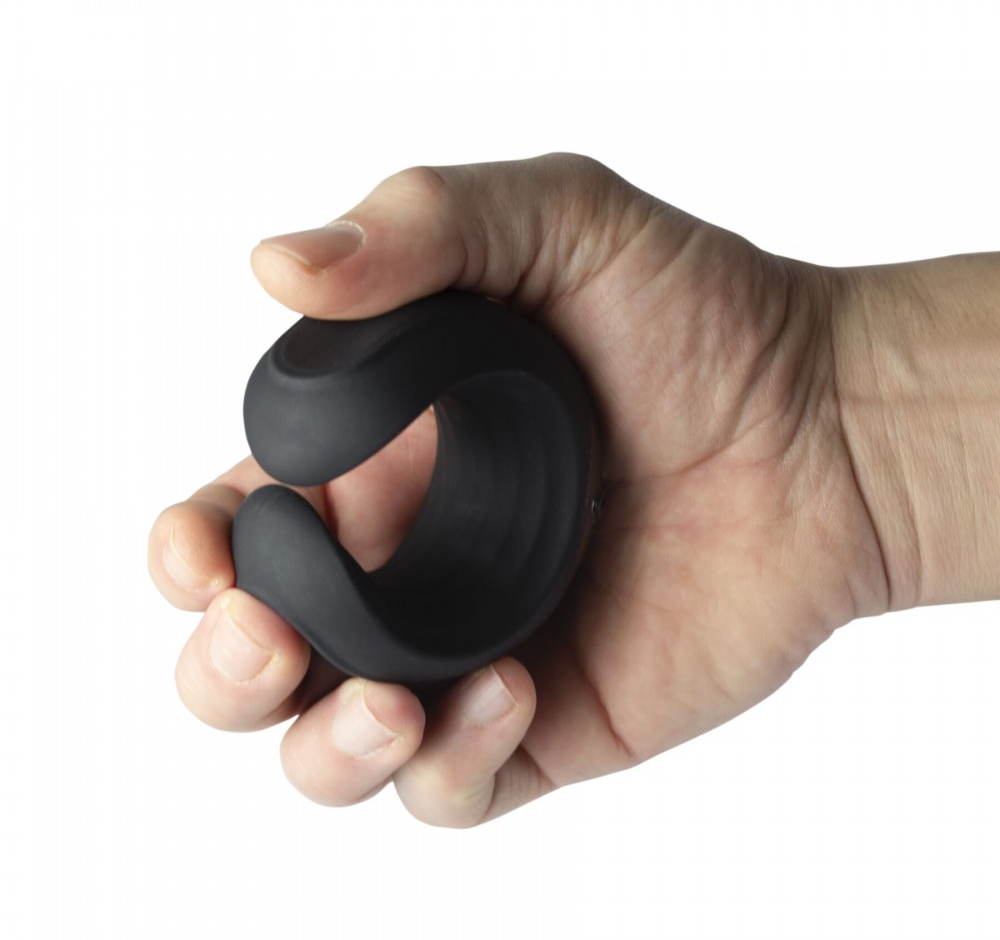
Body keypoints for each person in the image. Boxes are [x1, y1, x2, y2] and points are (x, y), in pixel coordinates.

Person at [148, 154, 1000, 828]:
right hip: (493, 515)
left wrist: (837, 431)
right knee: (295, 517)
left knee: (294, 493)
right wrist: (848, 444)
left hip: (508, 464)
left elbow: (301, 430)